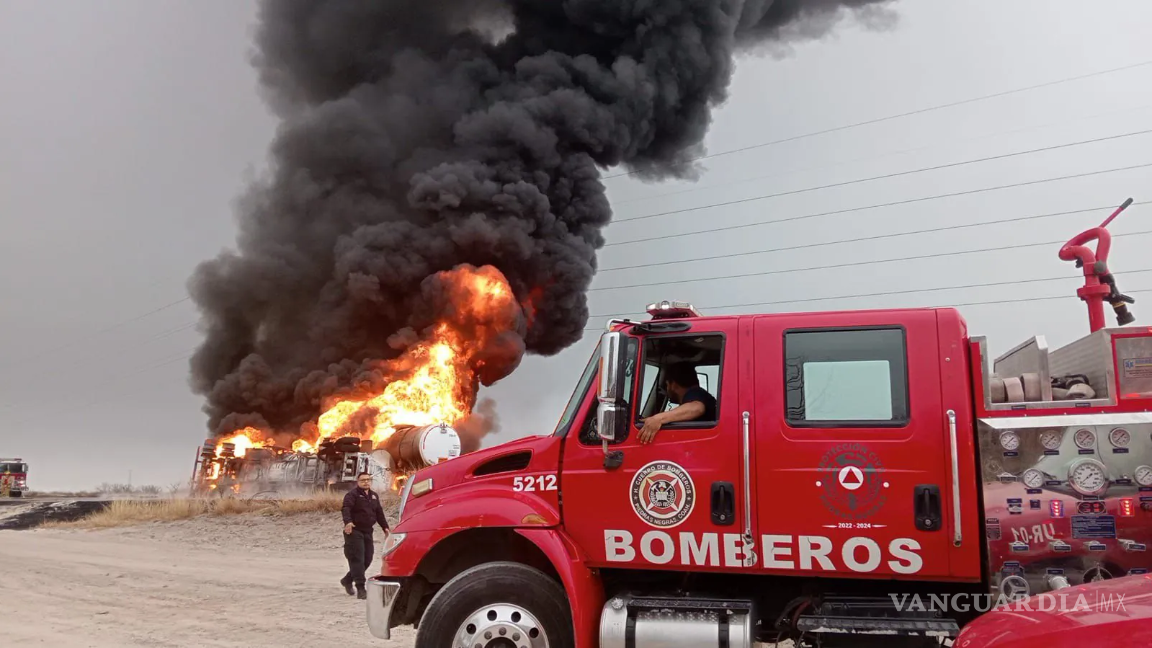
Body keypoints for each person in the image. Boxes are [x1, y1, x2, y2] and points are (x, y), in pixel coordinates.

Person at [638, 362, 717, 444]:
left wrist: (658, 419)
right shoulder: (700, 394)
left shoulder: (695, 393)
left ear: (673, 385)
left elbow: (697, 408)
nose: (667, 390)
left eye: (667, 385)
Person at [340, 472, 389, 599]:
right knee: (357, 559)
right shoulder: (352, 495)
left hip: (368, 531)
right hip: (354, 531)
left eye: (368, 480)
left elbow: (379, 513)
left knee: (368, 559)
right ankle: (360, 588)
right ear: (358, 482)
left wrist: (385, 528)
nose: (366, 482)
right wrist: (348, 522)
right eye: (363, 480)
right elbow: (346, 509)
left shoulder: (373, 496)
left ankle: (347, 579)